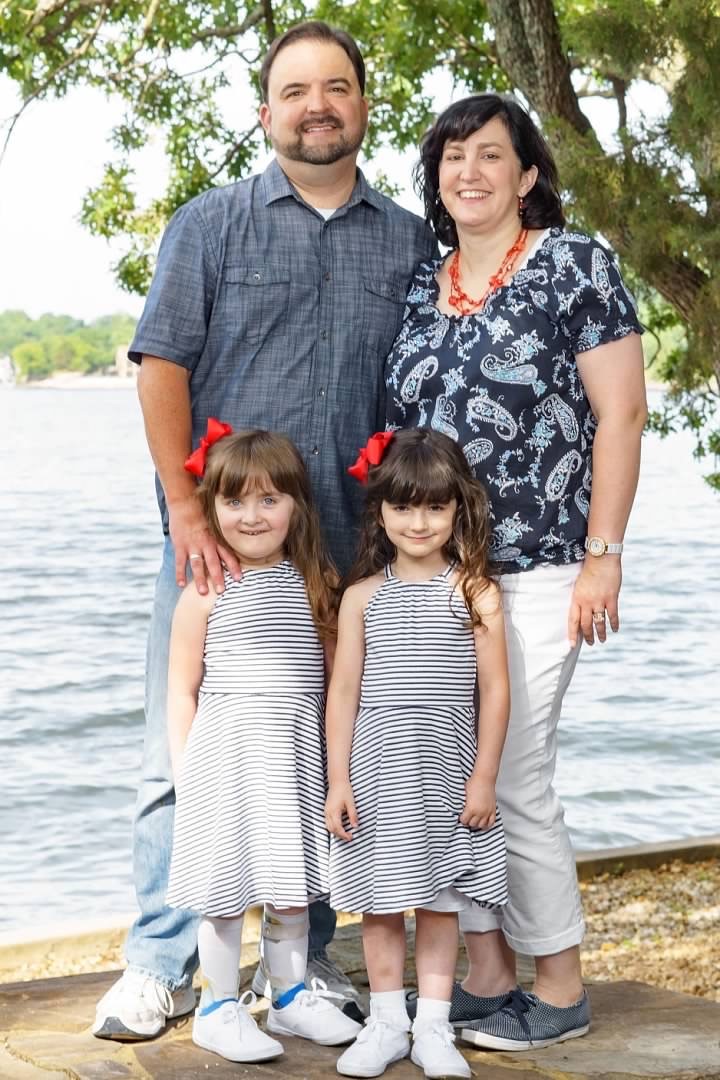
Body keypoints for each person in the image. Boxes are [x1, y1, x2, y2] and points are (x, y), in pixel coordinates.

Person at [92, 20, 437, 1042]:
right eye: (295, 90)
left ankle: (303, 968)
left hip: (347, 550)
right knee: (184, 751)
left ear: (365, 106)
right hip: (220, 540)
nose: (316, 104)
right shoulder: (209, 225)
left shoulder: (411, 239)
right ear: (266, 111)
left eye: (337, 87)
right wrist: (186, 506)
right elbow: (162, 366)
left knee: (319, 747)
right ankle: (161, 965)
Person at [385, 93, 647, 1050]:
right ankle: (486, 976)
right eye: (454, 157)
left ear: (527, 174)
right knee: (457, 769)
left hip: (539, 572)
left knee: (518, 769)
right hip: (437, 577)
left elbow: (620, 414)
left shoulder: (575, 267)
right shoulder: (424, 283)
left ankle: (562, 986)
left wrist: (602, 558)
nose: (470, 172)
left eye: (491, 155)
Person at [164, 425, 361, 1062]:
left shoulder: (316, 582)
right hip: (227, 757)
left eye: (270, 499)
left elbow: (335, 686)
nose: (252, 516)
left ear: (298, 505)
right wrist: (184, 768)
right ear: (211, 506)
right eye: (235, 502)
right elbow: (181, 686)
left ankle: (289, 997)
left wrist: (339, 773)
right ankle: (218, 1008)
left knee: (291, 886)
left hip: (295, 756)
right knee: (223, 889)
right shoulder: (205, 591)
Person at [325, 428, 511, 1079]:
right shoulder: (362, 598)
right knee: (380, 901)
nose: (419, 521)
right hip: (378, 765)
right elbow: (343, 691)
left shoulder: (477, 592)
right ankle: (384, 1022)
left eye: (434, 506)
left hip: (445, 765)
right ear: (380, 511)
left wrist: (484, 776)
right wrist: (337, 780)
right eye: (403, 507)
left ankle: (433, 1026)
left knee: (438, 899)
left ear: (459, 507)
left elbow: (495, 692)